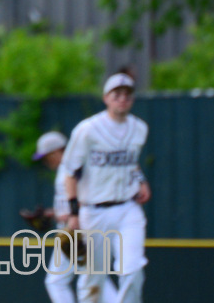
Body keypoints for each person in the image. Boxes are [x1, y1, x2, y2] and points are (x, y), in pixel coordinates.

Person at [62, 69, 151, 303]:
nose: (122, 99)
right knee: (93, 278)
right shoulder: (87, 129)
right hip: (93, 211)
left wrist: (141, 180)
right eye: (116, 94)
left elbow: (129, 161)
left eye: (127, 94)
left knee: (133, 269)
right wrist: (73, 213)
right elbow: (70, 173)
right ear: (106, 98)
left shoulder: (139, 128)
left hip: (128, 208)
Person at [32, 131, 117, 303]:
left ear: (57, 151)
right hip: (77, 227)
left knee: (60, 281)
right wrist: (52, 213)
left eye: (46, 157)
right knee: (89, 276)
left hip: (79, 229)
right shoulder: (68, 167)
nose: (46, 161)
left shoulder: (71, 168)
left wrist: (66, 216)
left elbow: (86, 199)